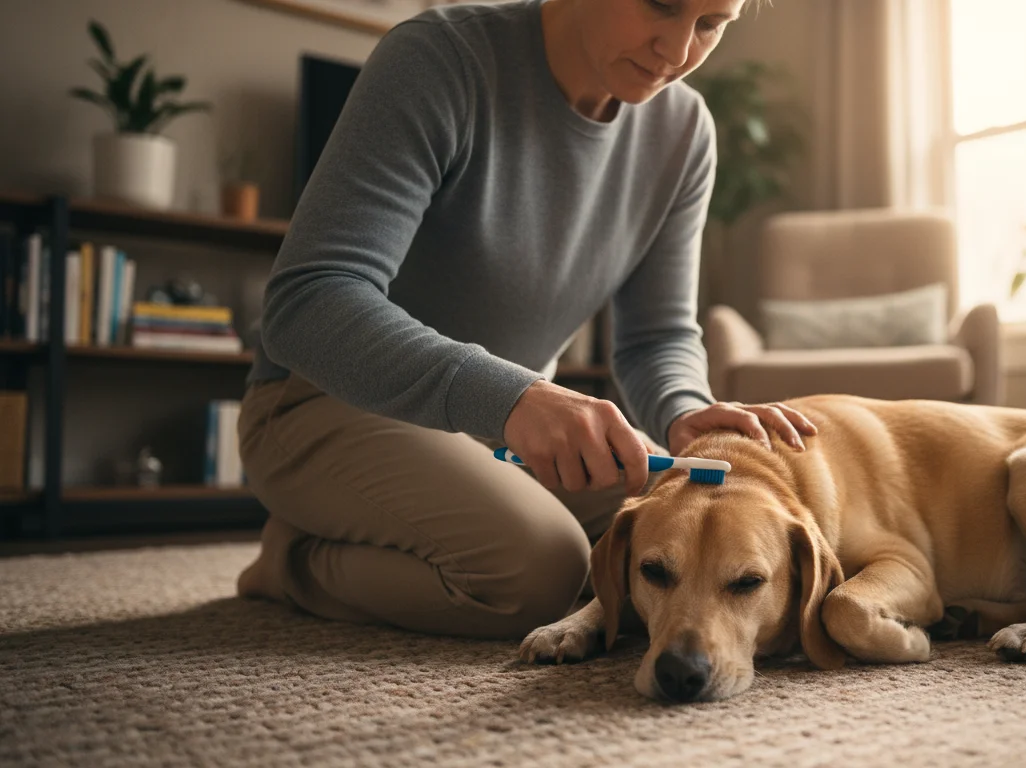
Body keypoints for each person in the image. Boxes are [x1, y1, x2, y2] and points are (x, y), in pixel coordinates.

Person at [235, 0, 817, 640]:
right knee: (541, 572)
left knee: (658, 537)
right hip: (325, 404)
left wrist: (683, 410)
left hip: (507, 431)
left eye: (710, 23)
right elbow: (309, 301)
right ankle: (291, 560)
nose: (678, 52)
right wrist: (513, 395)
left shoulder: (684, 130)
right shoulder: (439, 59)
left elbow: (658, 336)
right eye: (662, 5)